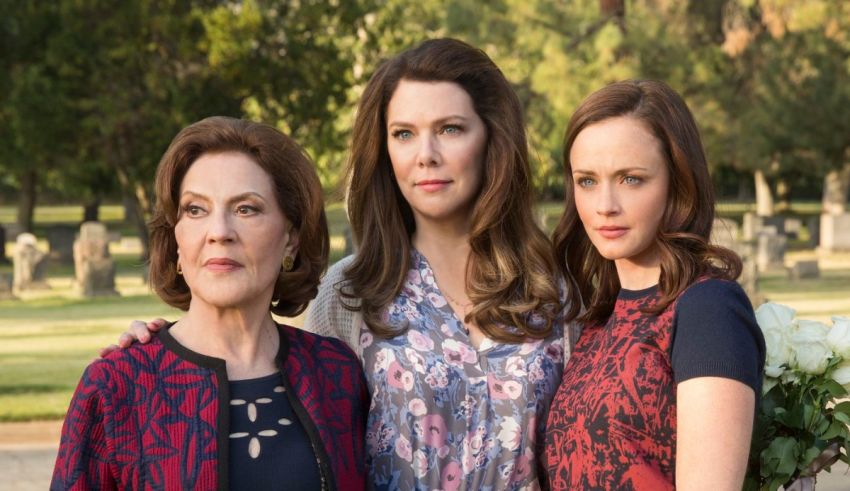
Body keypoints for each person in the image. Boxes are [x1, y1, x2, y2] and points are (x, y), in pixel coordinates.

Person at [111, 39, 570, 490]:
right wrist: (165, 350)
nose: (425, 154)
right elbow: (292, 419)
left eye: (450, 128)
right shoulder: (351, 292)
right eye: (403, 133)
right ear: (385, 150)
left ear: (492, 136)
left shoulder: (555, 289)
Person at [53, 117, 368, 490]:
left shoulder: (337, 373)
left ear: (291, 238)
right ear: (176, 240)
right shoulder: (116, 386)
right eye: (196, 210)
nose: (219, 232)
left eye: (246, 209)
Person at [544, 80, 765, 490]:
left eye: (631, 179)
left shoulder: (708, 308)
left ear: (677, 183)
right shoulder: (599, 318)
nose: (605, 205)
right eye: (587, 180)